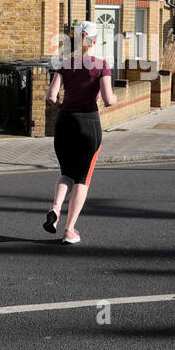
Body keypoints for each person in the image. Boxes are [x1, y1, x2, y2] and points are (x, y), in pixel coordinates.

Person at [44, 21, 117, 245]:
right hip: (88, 125)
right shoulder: (101, 65)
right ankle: (69, 230)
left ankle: (55, 208)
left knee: (66, 172)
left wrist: (61, 108)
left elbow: (51, 96)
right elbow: (107, 99)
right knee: (83, 179)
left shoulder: (64, 65)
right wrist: (114, 99)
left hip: (65, 123)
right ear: (95, 40)